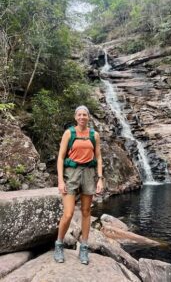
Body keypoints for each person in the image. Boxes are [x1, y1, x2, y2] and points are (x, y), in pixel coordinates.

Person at [54, 105, 103, 265]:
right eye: (79, 115)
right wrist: (60, 180)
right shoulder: (69, 133)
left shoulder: (94, 135)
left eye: (85, 115)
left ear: (88, 117)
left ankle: (84, 248)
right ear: (76, 117)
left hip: (89, 174)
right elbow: (61, 157)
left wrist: (100, 178)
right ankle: (59, 244)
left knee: (86, 211)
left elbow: (99, 157)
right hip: (71, 174)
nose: (82, 117)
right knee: (68, 213)